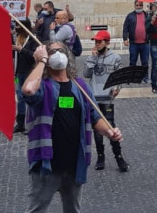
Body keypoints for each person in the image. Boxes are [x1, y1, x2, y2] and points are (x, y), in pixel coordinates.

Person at [22, 41, 122, 212]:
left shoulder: (81, 87)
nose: (57, 54)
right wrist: (40, 62)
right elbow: (29, 90)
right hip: (46, 164)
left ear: (68, 55)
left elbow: (94, 117)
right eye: (52, 52)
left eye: (61, 50)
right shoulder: (42, 87)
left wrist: (109, 131)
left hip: (74, 164)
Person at [83, 30, 128, 172]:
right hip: (94, 98)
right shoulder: (92, 57)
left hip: (107, 98)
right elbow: (86, 74)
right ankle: (100, 156)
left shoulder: (115, 58)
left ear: (107, 42)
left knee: (111, 127)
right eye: (95, 41)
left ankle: (119, 156)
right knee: (97, 130)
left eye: (99, 41)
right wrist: (92, 59)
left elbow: (119, 76)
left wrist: (117, 88)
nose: (97, 44)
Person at [13, 18, 36, 133]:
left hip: (29, 73)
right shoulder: (17, 38)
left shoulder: (32, 39)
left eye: (18, 26)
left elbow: (34, 56)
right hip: (18, 74)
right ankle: (20, 123)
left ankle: (30, 124)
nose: (15, 28)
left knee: (30, 98)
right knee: (20, 98)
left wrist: (21, 50)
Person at [121, 0, 150, 70]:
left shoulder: (147, 15)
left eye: (140, 5)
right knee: (132, 62)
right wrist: (125, 39)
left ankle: (145, 78)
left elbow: (151, 26)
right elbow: (125, 28)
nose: (138, 7)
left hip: (145, 43)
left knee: (145, 62)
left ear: (142, 6)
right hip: (134, 44)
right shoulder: (130, 16)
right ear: (134, 6)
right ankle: (132, 78)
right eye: (137, 5)